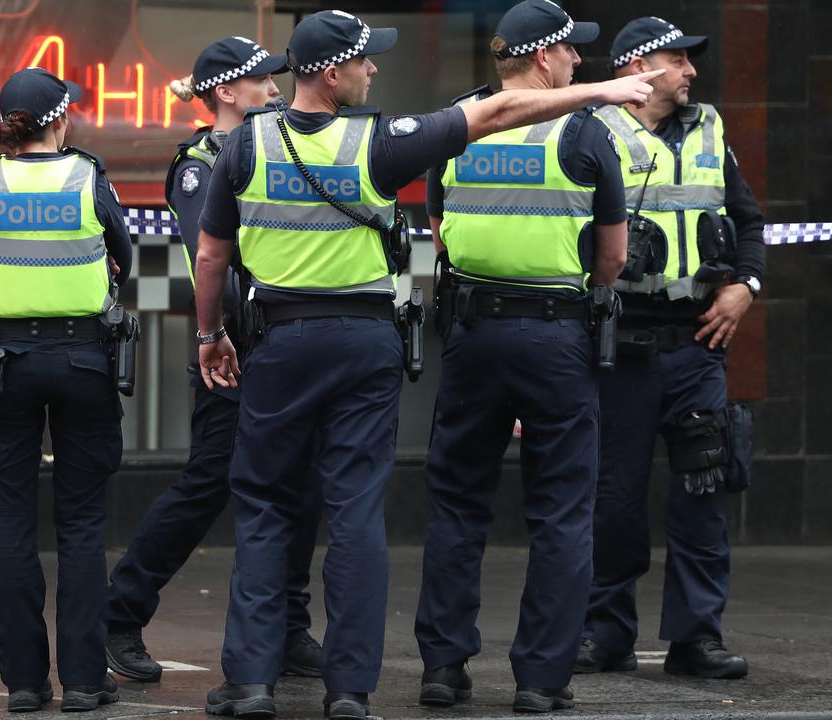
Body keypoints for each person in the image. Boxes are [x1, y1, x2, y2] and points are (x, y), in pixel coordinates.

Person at [193, 8, 662, 719]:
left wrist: (207, 335)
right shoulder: (381, 142)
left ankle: (263, 681)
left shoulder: (247, 144)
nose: (374, 67)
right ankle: (359, 688)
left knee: (267, 508)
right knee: (364, 512)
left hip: (291, 341)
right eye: (362, 58)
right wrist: (601, 94)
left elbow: (210, 256)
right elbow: (599, 240)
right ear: (329, 71)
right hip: (396, 342)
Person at [413, 1, 629, 713]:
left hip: (474, 333)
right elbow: (613, 257)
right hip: (556, 337)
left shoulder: (456, 124)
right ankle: (541, 680)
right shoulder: (586, 132)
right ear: (544, 58)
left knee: (457, 503)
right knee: (562, 510)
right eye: (572, 51)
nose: (579, 63)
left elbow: (439, 232)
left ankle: (443, 667)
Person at [104, 36, 326, 685]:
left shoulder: (282, 147)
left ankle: (289, 629)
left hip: (290, 343)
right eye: (262, 80)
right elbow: (215, 254)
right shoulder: (200, 163)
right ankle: (119, 614)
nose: (277, 90)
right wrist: (223, 332)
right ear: (227, 91)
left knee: (302, 486)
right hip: (234, 348)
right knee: (208, 485)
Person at [576, 16, 765, 682]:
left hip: (696, 344)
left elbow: (748, 222)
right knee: (614, 498)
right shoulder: (591, 128)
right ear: (639, 67)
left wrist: (745, 285)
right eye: (678, 60)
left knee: (704, 490)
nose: (690, 71)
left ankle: (695, 639)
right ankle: (606, 633)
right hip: (618, 347)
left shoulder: (709, 129)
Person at [0, 67, 134, 713]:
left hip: (5, 362)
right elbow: (125, 252)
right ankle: (86, 682)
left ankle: (25, 684)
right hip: (84, 360)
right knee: (83, 525)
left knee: (9, 522)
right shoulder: (88, 175)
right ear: (61, 119)